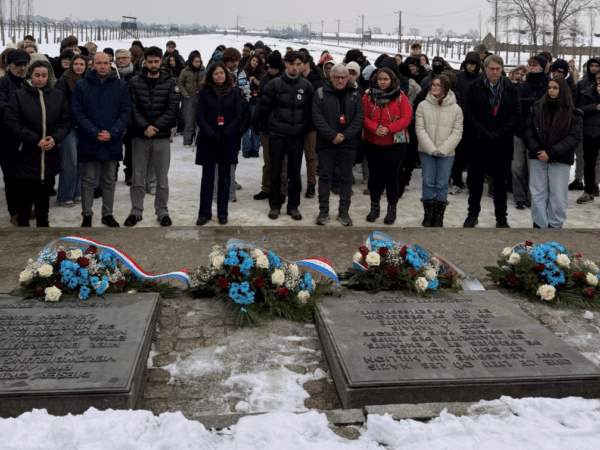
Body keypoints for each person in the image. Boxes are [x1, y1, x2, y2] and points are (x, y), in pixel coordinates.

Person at [3, 61, 71, 227]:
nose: (40, 79)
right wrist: (34, 139)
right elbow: (11, 122)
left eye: (44, 76)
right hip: (26, 154)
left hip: (48, 154)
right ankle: (23, 225)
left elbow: (66, 121)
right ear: (30, 75)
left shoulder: (57, 95)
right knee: (25, 196)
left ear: (49, 76)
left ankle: (43, 224)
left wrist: (55, 138)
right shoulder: (20, 95)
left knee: (43, 196)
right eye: (37, 75)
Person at [71, 52, 132, 227]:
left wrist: (113, 132)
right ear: (92, 65)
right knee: (88, 179)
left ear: (110, 64)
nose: (103, 66)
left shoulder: (120, 85)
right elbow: (77, 112)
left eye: (106, 63)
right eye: (99, 63)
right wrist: (94, 132)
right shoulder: (81, 85)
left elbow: (125, 111)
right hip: (89, 139)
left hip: (112, 139)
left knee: (109, 179)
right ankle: (87, 215)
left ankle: (107, 214)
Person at [463, 55, 522, 228]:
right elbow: (469, 112)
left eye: (497, 69)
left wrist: (499, 133)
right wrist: (482, 132)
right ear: (484, 69)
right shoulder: (473, 87)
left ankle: (501, 218)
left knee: (500, 184)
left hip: (502, 142)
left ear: (502, 69)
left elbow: (516, 114)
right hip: (479, 141)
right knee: (475, 182)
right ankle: (472, 214)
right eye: (491, 69)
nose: (494, 72)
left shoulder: (511, 88)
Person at [124, 46, 180, 227]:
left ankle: (162, 211)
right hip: (140, 136)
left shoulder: (170, 83)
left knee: (162, 179)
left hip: (161, 136)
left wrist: (155, 127)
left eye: (156, 61)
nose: (153, 65)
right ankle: (136, 211)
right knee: (138, 177)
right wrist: (144, 127)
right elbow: (132, 108)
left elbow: (172, 109)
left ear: (161, 61)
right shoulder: (135, 82)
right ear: (145, 62)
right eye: (150, 62)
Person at [258, 51, 314, 220]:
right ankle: (275, 205)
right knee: (275, 171)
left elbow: (311, 112)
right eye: (292, 64)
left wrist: (305, 128)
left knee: (295, 172)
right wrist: (267, 127)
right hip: (277, 135)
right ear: (286, 64)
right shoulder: (274, 84)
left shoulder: (306, 86)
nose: (295, 68)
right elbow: (263, 109)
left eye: (298, 64)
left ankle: (293, 206)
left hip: (296, 136)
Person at [525, 77, 582, 228]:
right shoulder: (537, 109)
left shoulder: (573, 114)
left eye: (555, 88)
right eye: (549, 87)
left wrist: (550, 152)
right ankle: (540, 224)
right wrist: (537, 150)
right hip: (538, 157)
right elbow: (529, 130)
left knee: (558, 195)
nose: (551, 90)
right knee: (537, 192)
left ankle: (555, 226)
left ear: (563, 90)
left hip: (560, 159)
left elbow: (573, 138)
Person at [312, 64, 364, 226]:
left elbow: (359, 118)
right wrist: (332, 135)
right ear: (331, 78)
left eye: (343, 77)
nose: (340, 80)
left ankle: (344, 211)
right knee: (325, 177)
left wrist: (345, 136)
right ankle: (323, 210)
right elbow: (317, 117)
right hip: (326, 143)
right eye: (337, 77)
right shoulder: (320, 93)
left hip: (348, 144)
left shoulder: (355, 94)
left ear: (348, 78)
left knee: (346, 178)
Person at [362, 67, 412, 225]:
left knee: (393, 177)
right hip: (373, 141)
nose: (382, 82)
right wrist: (374, 128)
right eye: (380, 79)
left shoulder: (400, 96)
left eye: (385, 79)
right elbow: (362, 116)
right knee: (375, 176)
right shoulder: (368, 96)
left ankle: (392, 209)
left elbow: (406, 117)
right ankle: (374, 207)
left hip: (394, 143)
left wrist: (389, 128)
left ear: (392, 80)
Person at [195, 62, 242, 226]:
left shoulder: (234, 93)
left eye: (221, 73)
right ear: (211, 76)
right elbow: (199, 116)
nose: (219, 76)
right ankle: (204, 213)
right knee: (207, 178)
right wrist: (211, 134)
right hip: (208, 140)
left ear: (226, 75)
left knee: (225, 177)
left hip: (226, 140)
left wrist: (226, 134)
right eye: (216, 73)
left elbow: (237, 116)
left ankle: (222, 213)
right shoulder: (204, 93)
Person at [415, 74, 463, 227]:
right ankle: (428, 214)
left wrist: (443, 149)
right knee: (428, 182)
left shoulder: (456, 109)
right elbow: (420, 129)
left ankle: (439, 216)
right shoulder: (422, 106)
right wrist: (431, 149)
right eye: (433, 85)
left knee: (442, 183)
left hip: (446, 153)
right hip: (426, 151)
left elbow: (457, 132)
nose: (434, 87)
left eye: (438, 85)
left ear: (446, 88)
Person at [513, 55, 549, 210]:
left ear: (542, 67)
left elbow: (544, 104)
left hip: (537, 132)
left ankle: (533, 197)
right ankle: (519, 197)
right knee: (517, 166)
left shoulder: (548, 85)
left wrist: (529, 102)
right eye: (530, 64)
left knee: (533, 166)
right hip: (520, 129)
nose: (532, 67)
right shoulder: (522, 85)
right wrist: (532, 102)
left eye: (535, 65)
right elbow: (516, 103)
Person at [252, 51, 288, 202]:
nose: (270, 70)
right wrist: (256, 120)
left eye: (273, 68)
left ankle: (282, 190)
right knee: (268, 161)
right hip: (267, 125)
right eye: (269, 67)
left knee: (282, 161)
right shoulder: (265, 78)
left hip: (282, 128)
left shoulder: (286, 79)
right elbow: (260, 102)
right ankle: (266, 188)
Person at [54, 54, 88, 207]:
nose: (79, 67)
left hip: (83, 127)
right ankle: (65, 195)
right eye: (76, 64)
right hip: (68, 127)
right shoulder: (63, 81)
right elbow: (59, 105)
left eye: (82, 64)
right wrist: (75, 119)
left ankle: (77, 192)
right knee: (70, 162)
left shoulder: (87, 80)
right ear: (71, 65)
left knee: (81, 162)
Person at [450, 51, 481, 195]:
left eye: (473, 64)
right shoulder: (458, 78)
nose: (470, 67)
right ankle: (456, 180)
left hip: (475, 122)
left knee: (474, 154)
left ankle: (471, 182)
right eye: (468, 64)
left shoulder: (482, 79)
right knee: (458, 153)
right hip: (459, 120)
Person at [300, 53, 324, 198]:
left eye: (299, 64)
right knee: (294, 156)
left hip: (311, 125)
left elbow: (320, 105)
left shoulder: (317, 82)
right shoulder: (295, 79)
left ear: (307, 64)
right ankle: (294, 182)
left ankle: (311, 185)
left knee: (310, 156)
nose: (296, 67)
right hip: (296, 124)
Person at [576, 70, 600, 205]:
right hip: (590, 132)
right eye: (598, 78)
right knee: (589, 163)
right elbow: (580, 109)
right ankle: (588, 191)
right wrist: (595, 107)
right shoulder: (588, 92)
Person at [178, 51, 205, 148]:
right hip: (189, 98)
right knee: (189, 120)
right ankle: (187, 141)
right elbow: (180, 84)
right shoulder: (185, 71)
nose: (197, 63)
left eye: (199, 61)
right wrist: (185, 94)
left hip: (201, 98)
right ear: (191, 62)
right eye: (195, 62)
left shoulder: (204, 70)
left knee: (200, 121)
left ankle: (198, 141)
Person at [241, 54, 264, 158]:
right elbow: (240, 85)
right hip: (246, 102)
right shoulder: (244, 72)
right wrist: (248, 83)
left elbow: (264, 86)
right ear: (250, 60)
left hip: (257, 102)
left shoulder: (262, 73)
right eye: (253, 60)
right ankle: (246, 150)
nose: (254, 63)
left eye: (257, 61)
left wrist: (257, 82)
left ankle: (255, 150)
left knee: (255, 126)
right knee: (245, 126)